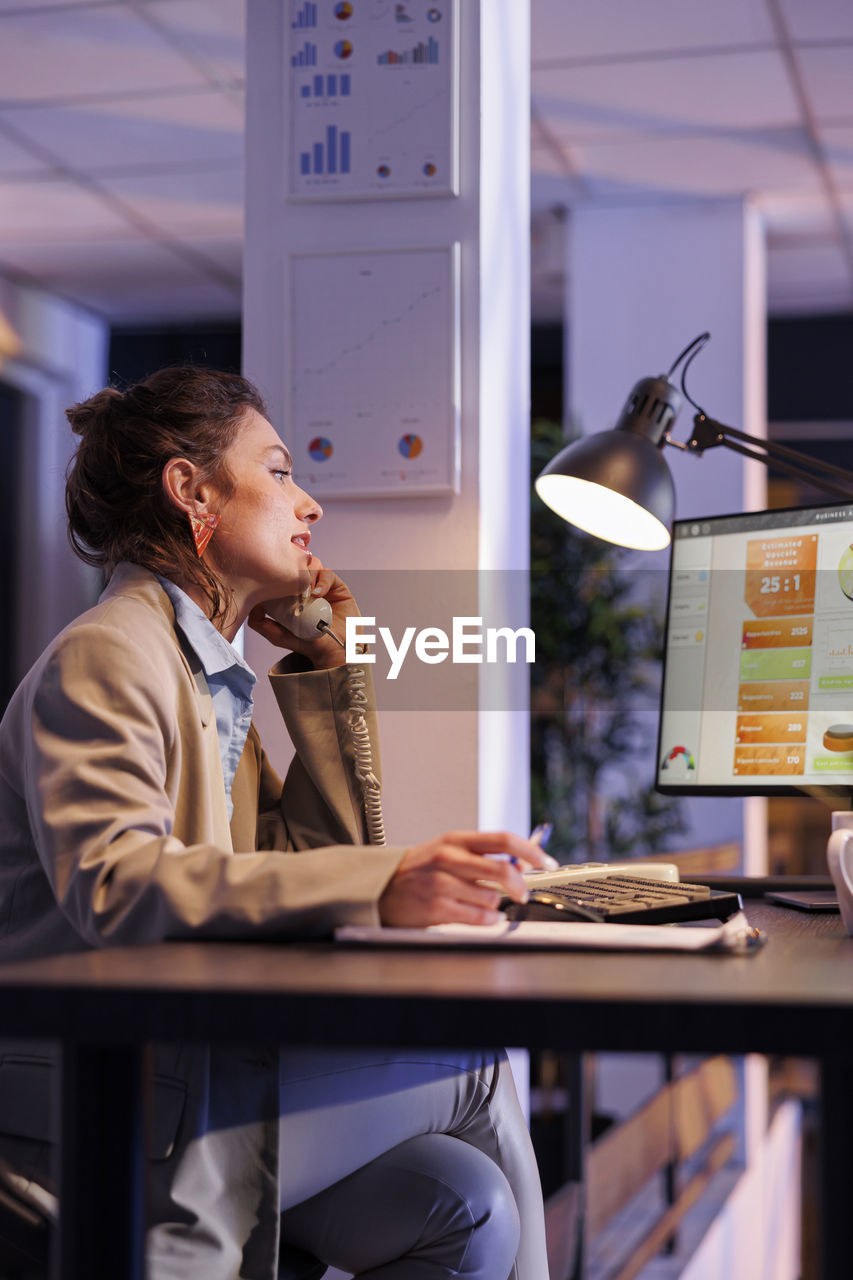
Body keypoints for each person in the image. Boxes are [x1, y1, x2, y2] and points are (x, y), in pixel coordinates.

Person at [0, 367, 553, 1279]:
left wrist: (332, 674)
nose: (311, 504)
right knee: (474, 1062)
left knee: (464, 1202)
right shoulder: (109, 653)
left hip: (184, 1069)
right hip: (92, 1095)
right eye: (283, 470)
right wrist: (386, 882)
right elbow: (118, 886)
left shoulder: (207, 674)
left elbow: (304, 872)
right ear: (192, 493)